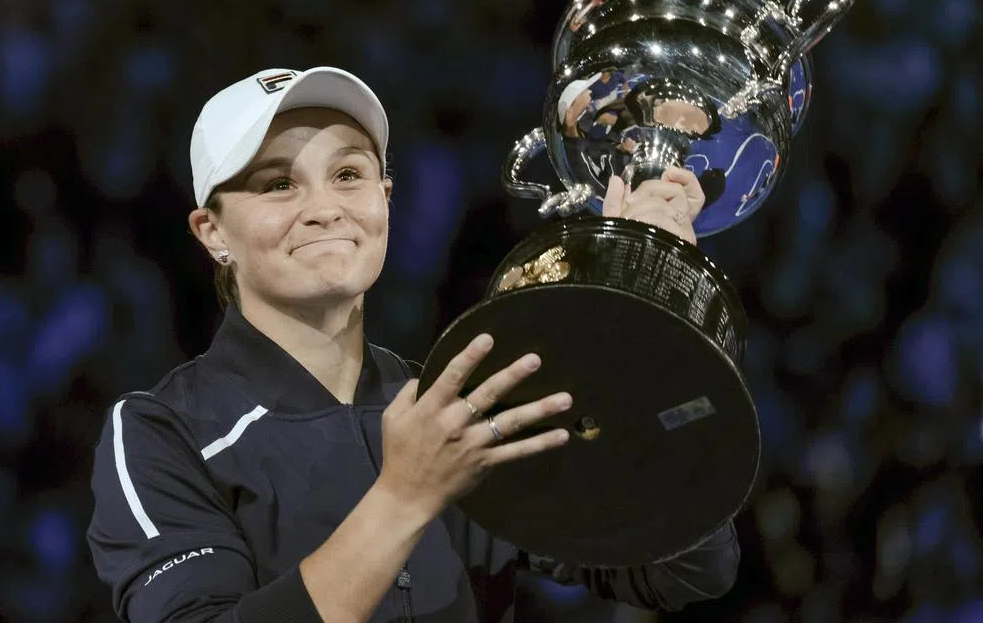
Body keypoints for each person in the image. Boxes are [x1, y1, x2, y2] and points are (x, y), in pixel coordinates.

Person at [87, 66, 738, 622]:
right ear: (211, 232)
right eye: (278, 183)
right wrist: (405, 497)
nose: (325, 208)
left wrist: (648, 312)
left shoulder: (458, 403)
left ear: (386, 201)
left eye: (349, 174)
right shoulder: (162, 433)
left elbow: (680, 570)